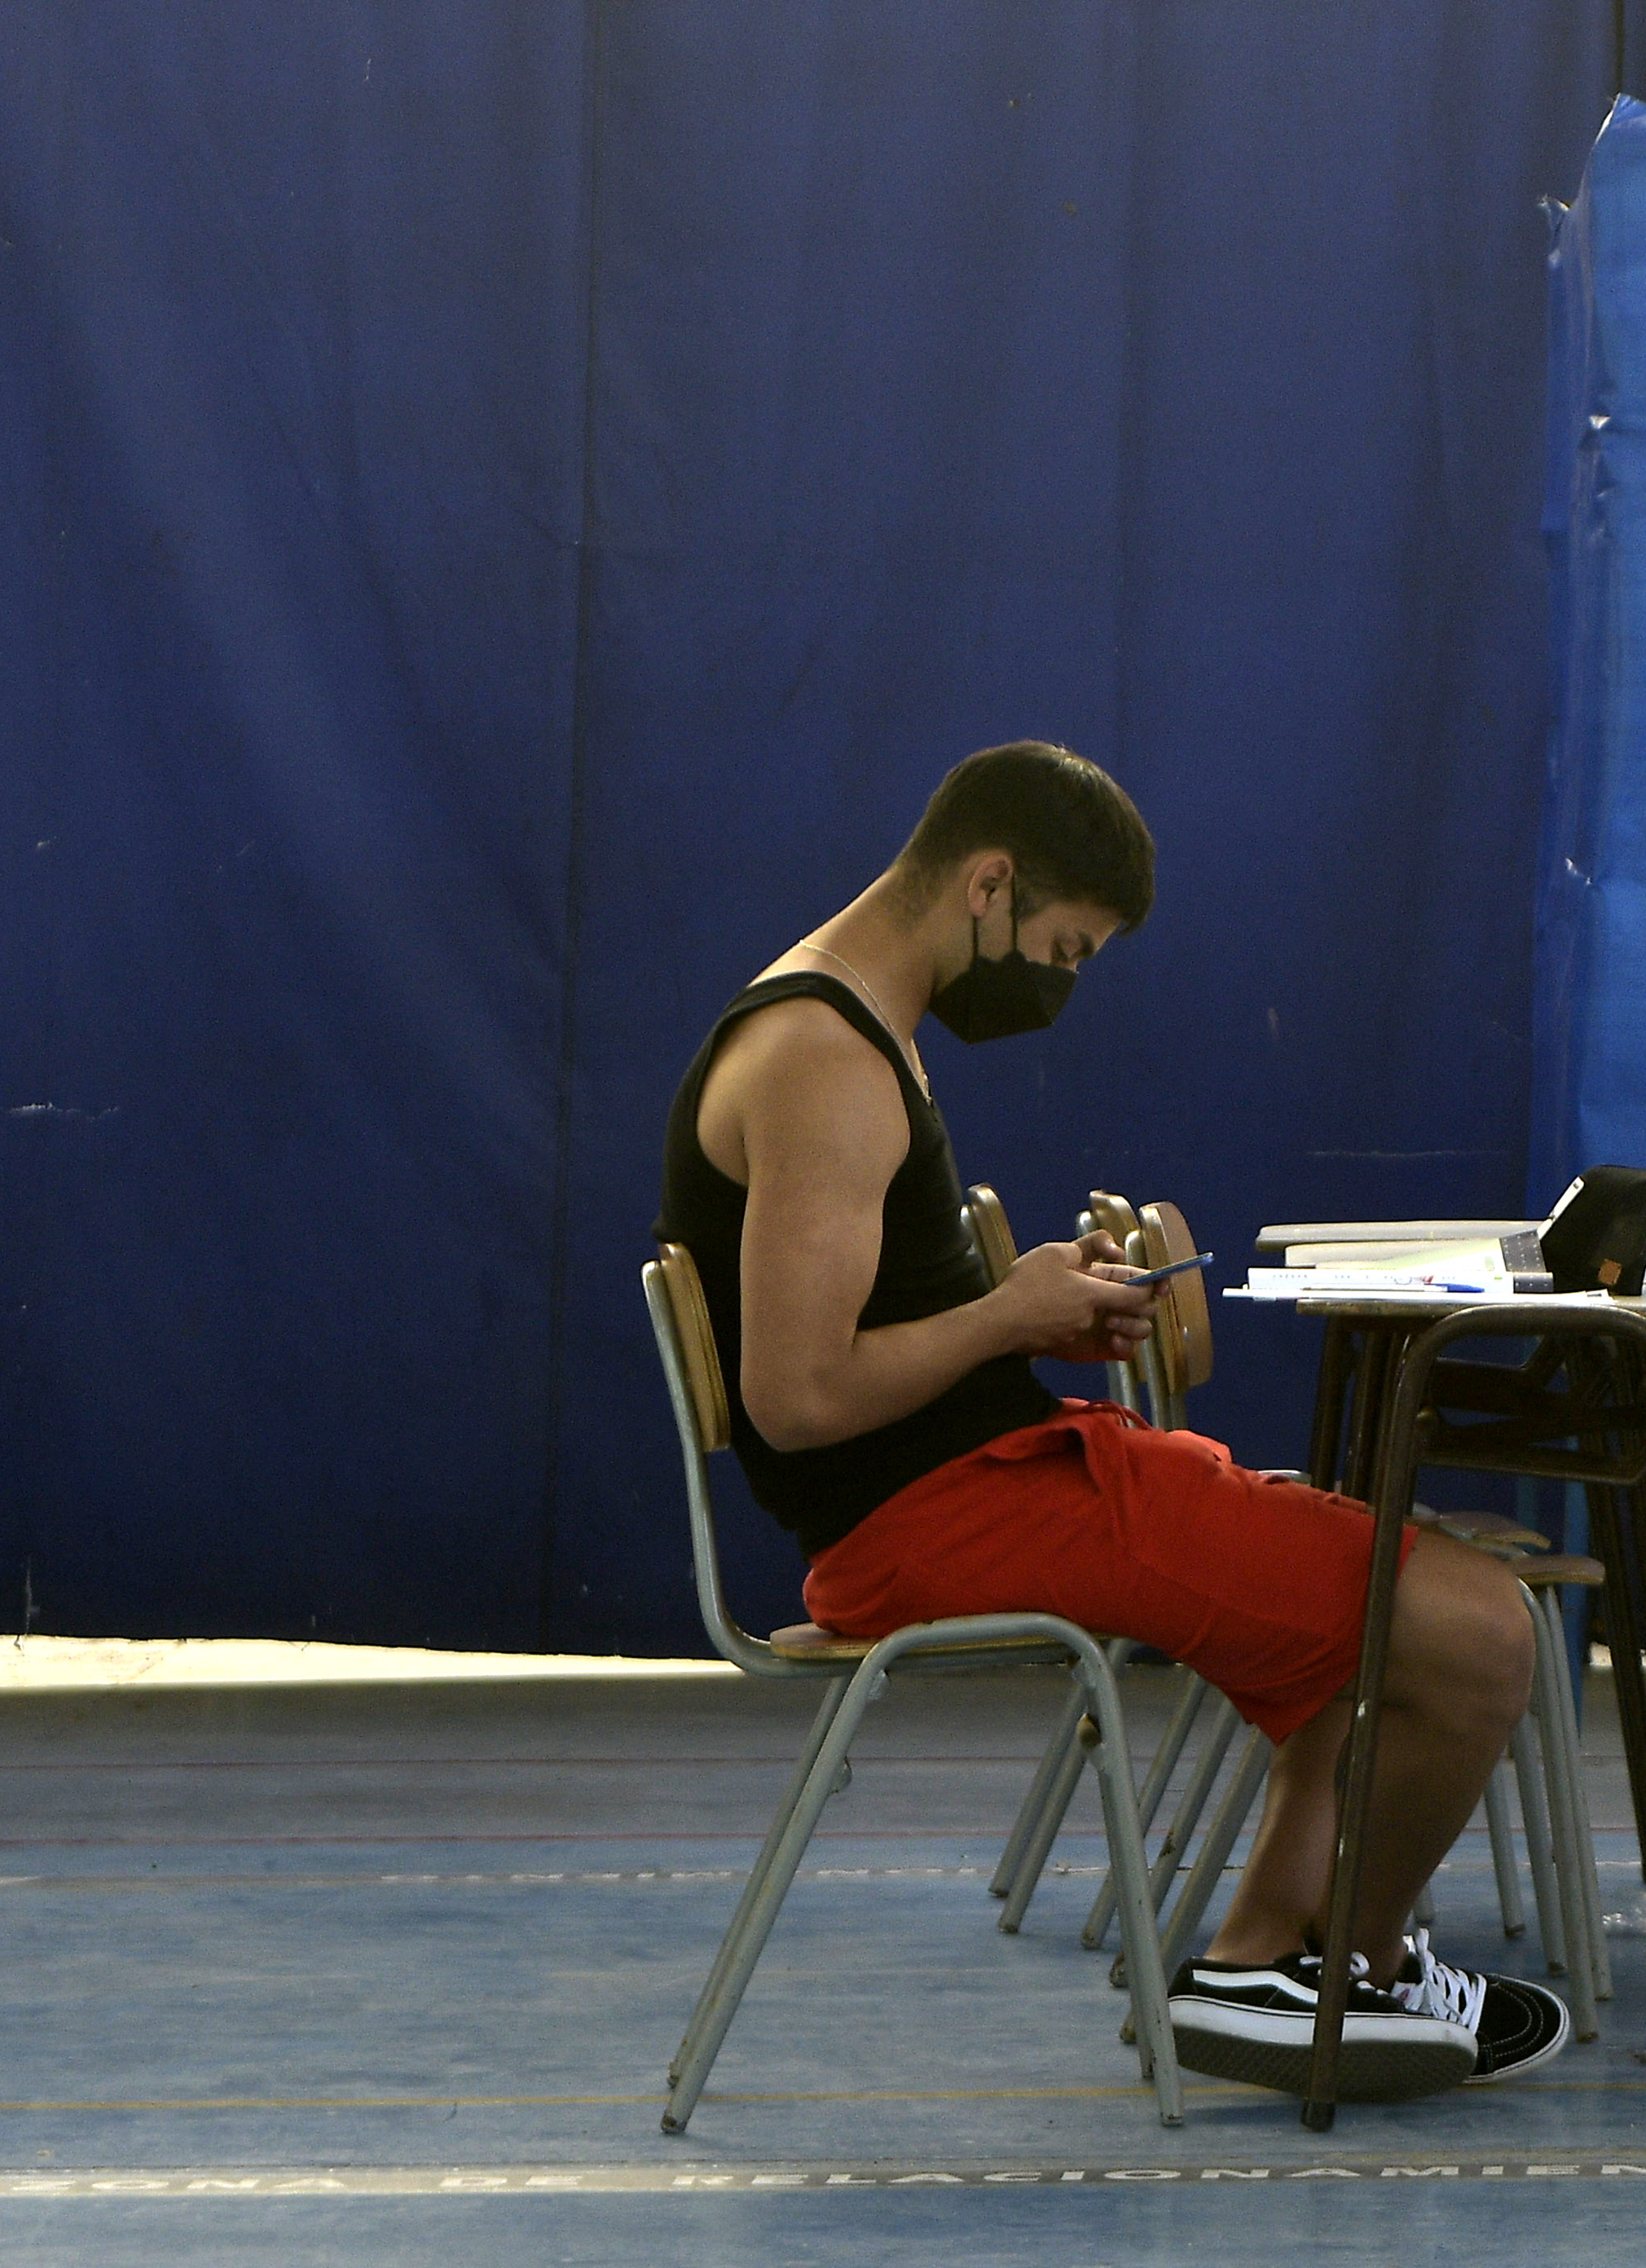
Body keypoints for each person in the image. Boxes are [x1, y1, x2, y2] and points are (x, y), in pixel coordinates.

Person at [655, 740, 1562, 2102]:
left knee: (1370, 1589)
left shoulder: (859, 1028)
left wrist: (1039, 1319)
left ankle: (1280, 1959)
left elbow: (875, 1337)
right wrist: (1007, 1317)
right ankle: (1340, 1973)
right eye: (1065, 949)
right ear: (990, 883)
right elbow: (800, 1397)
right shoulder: (820, 1058)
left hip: (979, 1480)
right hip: (931, 1524)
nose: (1061, 983)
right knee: (1484, 1632)